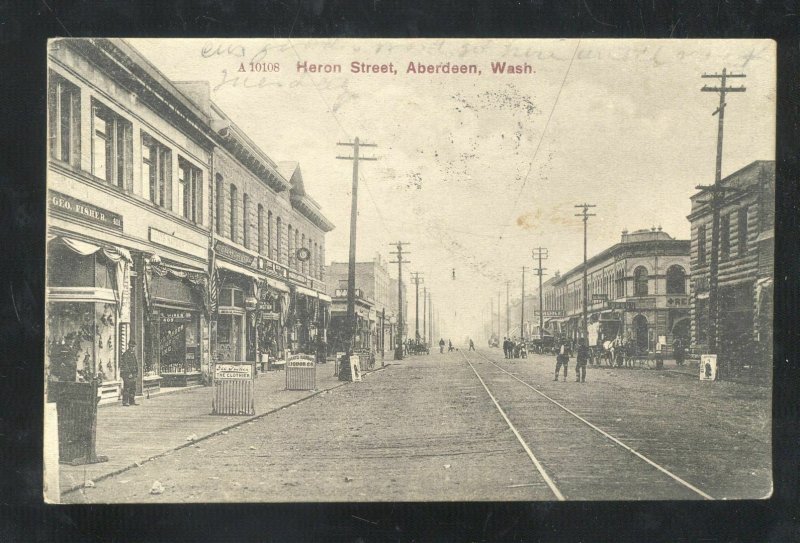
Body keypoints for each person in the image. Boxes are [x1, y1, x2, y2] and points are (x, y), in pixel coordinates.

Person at [120, 339, 139, 406]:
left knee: (133, 388)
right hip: (127, 374)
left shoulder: (133, 354)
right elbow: (125, 365)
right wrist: (129, 373)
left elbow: (136, 364)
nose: (132, 348)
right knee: (127, 387)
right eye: (131, 346)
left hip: (133, 374)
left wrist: (136, 373)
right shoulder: (126, 354)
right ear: (129, 346)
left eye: (133, 347)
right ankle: (125, 401)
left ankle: (132, 401)